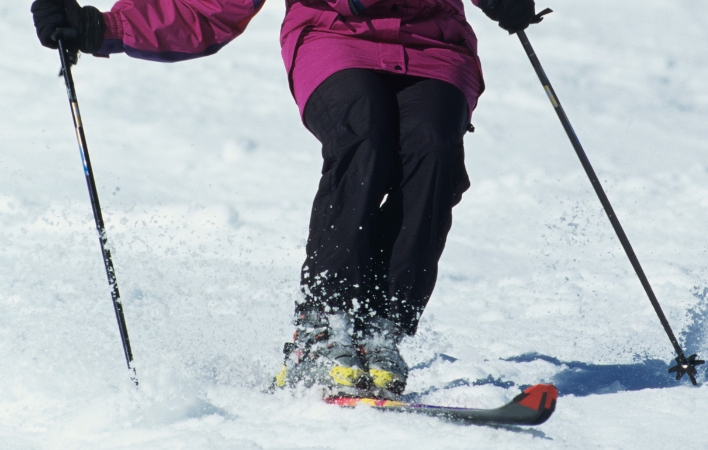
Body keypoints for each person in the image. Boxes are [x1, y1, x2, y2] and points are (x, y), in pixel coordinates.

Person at [32, 0, 543, 399]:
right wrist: (101, 26)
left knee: (434, 152)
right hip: (334, 35)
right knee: (364, 135)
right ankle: (326, 323)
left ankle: (382, 326)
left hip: (435, 42)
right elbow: (209, 8)